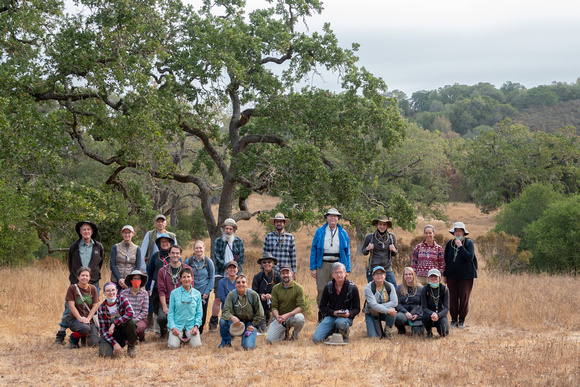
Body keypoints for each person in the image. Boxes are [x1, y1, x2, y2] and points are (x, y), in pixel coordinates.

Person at [54, 221, 104, 345]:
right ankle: (61, 333)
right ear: (80, 232)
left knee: (92, 308)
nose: (86, 231)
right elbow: (70, 264)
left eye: (88, 229)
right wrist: (78, 279)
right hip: (77, 283)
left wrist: (91, 277)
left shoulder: (98, 246)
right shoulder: (74, 246)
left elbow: (99, 264)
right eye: (83, 230)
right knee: (69, 308)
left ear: (92, 232)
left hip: (93, 283)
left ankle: (87, 333)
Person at [310, 208, 351, 322]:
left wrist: (347, 268)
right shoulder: (320, 231)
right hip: (323, 263)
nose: (333, 218)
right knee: (322, 289)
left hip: (338, 263)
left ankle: (335, 313)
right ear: (326, 218)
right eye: (330, 216)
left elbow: (347, 252)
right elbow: (314, 250)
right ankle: (322, 313)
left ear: (338, 218)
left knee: (337, 288)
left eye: (335, 216)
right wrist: (313, 268)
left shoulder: (343, 232)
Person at [209, 218, 245, 331]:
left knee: (239, 297)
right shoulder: (218, 241)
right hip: (220, 272)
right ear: (223, 229)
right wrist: (227, 267)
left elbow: (242, 258)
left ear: (234, 230)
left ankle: (238, 320)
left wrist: (233, 268)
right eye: (226, 228)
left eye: (230, 229)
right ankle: (214, 322)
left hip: (236, 273)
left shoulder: (239, 241)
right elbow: (216, 257)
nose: (228, 231)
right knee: (218, 299)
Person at [312, 263, 360, 343]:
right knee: (316, 340)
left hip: (345, 318)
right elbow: (322, 307)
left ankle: (344, 334)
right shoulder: (328, 287)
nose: (339, 275)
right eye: (336, 273)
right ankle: (334, 330)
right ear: (332, 275)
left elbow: (357, 308)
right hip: (331, 316)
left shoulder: (352, 288)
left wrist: (349, 313)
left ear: (345, 273)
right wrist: (334, 312)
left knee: (340, 322)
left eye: (341, 272)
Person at [443, 222, 477, 329]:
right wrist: (445, 275)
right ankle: (453, 320)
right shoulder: (449, 243)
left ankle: (462, 320)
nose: (457, 233)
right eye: (456, 231)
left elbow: (469, 257)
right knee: (452, 298)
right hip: (452, 275)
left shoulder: (468, 243)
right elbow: (446, 260)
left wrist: (461, 246)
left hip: (466, 275)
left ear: (463, 232)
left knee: (464, 298)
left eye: (460, 231)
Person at [219, 275, 264, 349]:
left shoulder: (253, 294)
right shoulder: (231, 295)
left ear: (247, 284)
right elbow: (225, 311)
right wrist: (232, 317)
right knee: (223, 321)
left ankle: (245, 338)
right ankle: (226, 342)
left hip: (249, 323)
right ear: (235, 284)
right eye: (238, 282)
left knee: (248, 347)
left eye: (243, 282)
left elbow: (260, 313)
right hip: (236, 323)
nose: (241, 284)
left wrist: (253, 324)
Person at [156, 244, 192, 338]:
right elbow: (161, 290)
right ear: (169, 254)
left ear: (180, 255)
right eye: (172, 253)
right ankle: (164, 332)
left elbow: (190, 289)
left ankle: (184, 331)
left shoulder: (187, 269)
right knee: (162, 318)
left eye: (177, 253)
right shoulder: (162, 271)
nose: (175, 255)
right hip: (168, 302)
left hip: (182, 301)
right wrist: (164, 307)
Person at [265, 265, 306, 343]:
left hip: (293, 316)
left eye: (287, 273)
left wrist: (287, 315)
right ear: (280, 275)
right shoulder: (276, 288)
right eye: (283, 273)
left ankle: (295, 335)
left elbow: (301, 306)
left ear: (292, 274)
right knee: (269, 340)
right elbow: (274, 306)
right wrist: (277, 317)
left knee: (300, 318)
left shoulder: (298, 288)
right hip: (280, 318)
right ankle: (284, 333)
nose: (285, 275)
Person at [98, 282, 139, 357]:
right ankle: (111, 345)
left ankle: (131, 346)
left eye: (113, 290)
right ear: (104, 293)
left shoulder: (122, 299)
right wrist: (114, 343)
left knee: (131, 321)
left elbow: (131, 313)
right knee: (105, 355)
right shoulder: (101, 308)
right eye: (108, 291)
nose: (111, 293)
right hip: (111, 335)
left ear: (116, 291)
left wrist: (114, 323)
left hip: (123, 330)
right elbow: (103, 330)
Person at [146, 233, 175, 336]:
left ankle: (170, 328)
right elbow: (150, 271)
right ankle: (159, 329)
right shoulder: (155, 256)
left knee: (169, 307)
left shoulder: (174, 255)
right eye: (162, 242)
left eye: (167, 242)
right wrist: (148, 287)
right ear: (159, 244)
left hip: (171, 287)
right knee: (156, 307)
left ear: (170, 243)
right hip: (156, 287)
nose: (165, 243)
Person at [167, 267, 203, 349]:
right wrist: (173, 327)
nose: (186, 279)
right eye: (184, 277)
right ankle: (177, 337)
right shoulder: (174, 293)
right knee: (173, 346)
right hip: (177, 325)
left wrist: (196, 326)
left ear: (192, 279)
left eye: (188, 277)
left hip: (191, 325)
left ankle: (186, 338)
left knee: (197, 346)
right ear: (180, 279)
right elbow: (171, 313)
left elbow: (199, 313)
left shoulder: (197, 294)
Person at [184, 240, 215, 334]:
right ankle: (189, 331)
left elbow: (212, 277)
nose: (198, 250)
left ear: (204, 249)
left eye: (200, 248)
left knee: (201, 313)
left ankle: (199, 332)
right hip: (191, 291)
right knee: (190, 312)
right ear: (193, 249)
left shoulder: (208, 262)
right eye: (196, 248)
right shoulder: (189, 261)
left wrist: (207, 291)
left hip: (203, 293)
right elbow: (183, 276)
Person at [65, 267, 99, 349]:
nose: (85, 277)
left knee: (94, 344)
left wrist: (88, 319)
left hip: (89, 320)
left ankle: (84, 338)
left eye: (87, 276)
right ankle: (73, 337)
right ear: (78, 277)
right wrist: (80, 318)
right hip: (75, 319)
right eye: (82, 275)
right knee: (85, 328)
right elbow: (71, 306)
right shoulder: (72, 288)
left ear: (89, 278)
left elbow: (95, 305)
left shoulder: (93, 289)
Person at [361, 216, 398, 287]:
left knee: (394, 289)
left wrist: (394, 250)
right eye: (380, 224)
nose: (382, 226)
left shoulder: (391, 237)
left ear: (387, 226)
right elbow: (363, 252)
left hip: (387, 269)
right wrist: (368, 248)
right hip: (373, 269)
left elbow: (395, 253)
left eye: (384, 225)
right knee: (373, 291)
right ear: (376, 225)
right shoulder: (370, 237)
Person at [363, 266, 398, 339]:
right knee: (374, 337)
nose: (379, 275)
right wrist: (387, 310)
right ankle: (378, 331)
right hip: (372, 313)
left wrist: (382, 308)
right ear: (373, 276)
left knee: (392, 312)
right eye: (376, 274)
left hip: (382, 312)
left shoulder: (390, 286)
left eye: (381, 273)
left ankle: (388, 331)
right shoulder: (368, 288)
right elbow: (373, 305)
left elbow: (395, 302)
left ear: (385, 276)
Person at [251, 252, 281, 333]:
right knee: (262, 330)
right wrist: (261, 295)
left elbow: (282, 292)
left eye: (269, 262)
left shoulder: (278, 276)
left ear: (273, 263)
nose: (267, 264)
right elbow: (253, 293)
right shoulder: (257, 277)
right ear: (261, 264)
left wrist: (272, 296)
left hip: (275, 303)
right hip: (261, 305)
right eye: (264, 262)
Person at [120, 270, 149, 343]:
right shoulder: (124, 293)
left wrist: (135, 320)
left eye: (138, 279)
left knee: (140, 327)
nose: (137, 281)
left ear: (141, 281)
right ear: (131, 280)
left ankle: (141, 337)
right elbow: (121, 308)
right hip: (127, 318)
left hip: (140, 318)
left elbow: (145, 311)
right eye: (134, 279)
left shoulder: (144, 293)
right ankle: (130, 338)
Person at [110, 225, 142, 290]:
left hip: (130, 282)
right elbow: (112, 265)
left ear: (133, 234)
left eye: (129, 233)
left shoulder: (137, 249)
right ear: (122, 234)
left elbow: (137, 266)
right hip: (116, 280)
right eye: (125, 232)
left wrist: (129, 279)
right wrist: (119, 279)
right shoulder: (115, 247)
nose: (127, 235)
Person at [394, 267, 424, 335]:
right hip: (404, 313)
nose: (408, 276)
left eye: (410, 274)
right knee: (398, 317)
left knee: (418, 334)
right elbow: (397, 303)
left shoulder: (421, 288)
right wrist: (406, 312)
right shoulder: (399, 288)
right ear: (403, 276)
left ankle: (418, 326)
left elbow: (423, 304)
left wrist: (417, 314)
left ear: (413, 275)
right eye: (406, 274)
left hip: (417, 314)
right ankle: (401, 330)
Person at [421, 269, 450, 338]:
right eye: (431, 277)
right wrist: (432, 314)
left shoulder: (445, 289)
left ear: (439, 278)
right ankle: (429, 331)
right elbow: (424, 307)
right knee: (425, 318)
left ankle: (439, 326)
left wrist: (438, 315)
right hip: (428, 314)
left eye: (435, 277)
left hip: (440, 314)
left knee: (445, 333)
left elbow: (446, 308)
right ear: (428, 278)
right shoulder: (424, 289)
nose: (433, 278)